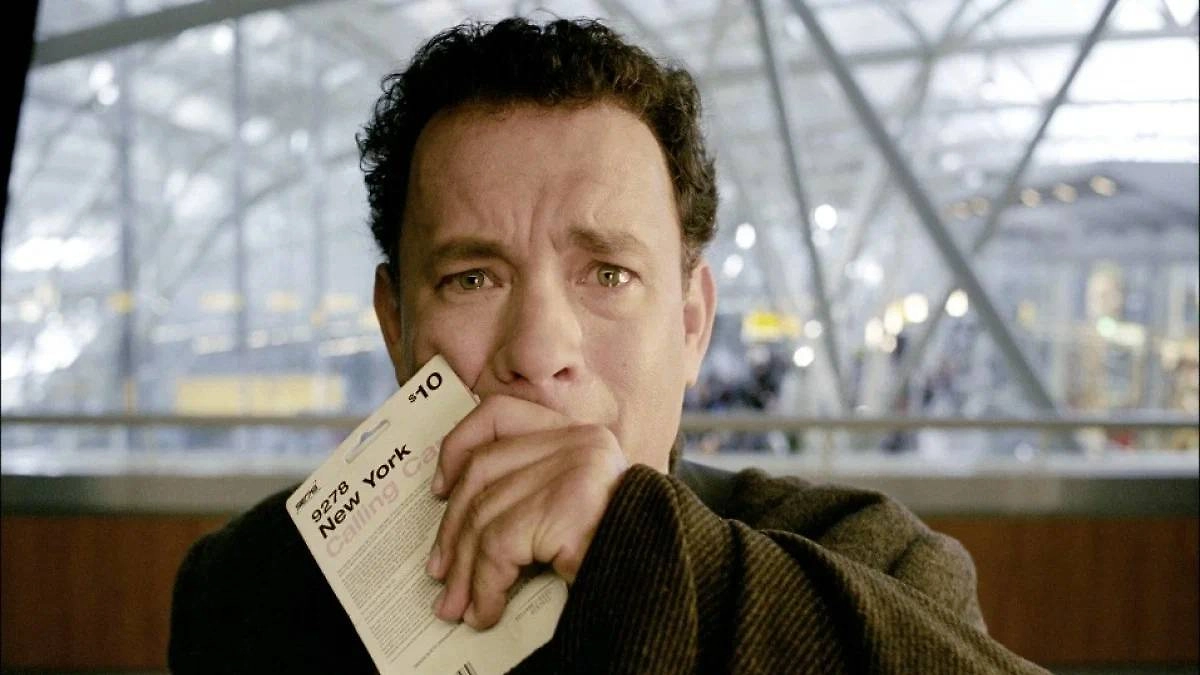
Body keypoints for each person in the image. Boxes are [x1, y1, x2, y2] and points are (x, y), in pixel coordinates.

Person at [169, 17, 1047, 674]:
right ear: (395, 326)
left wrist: (641, 549)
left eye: (609, 274)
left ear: (692, 324)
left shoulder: (869, 561)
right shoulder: (257, 587)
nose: (539, 349)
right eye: (472, 278)